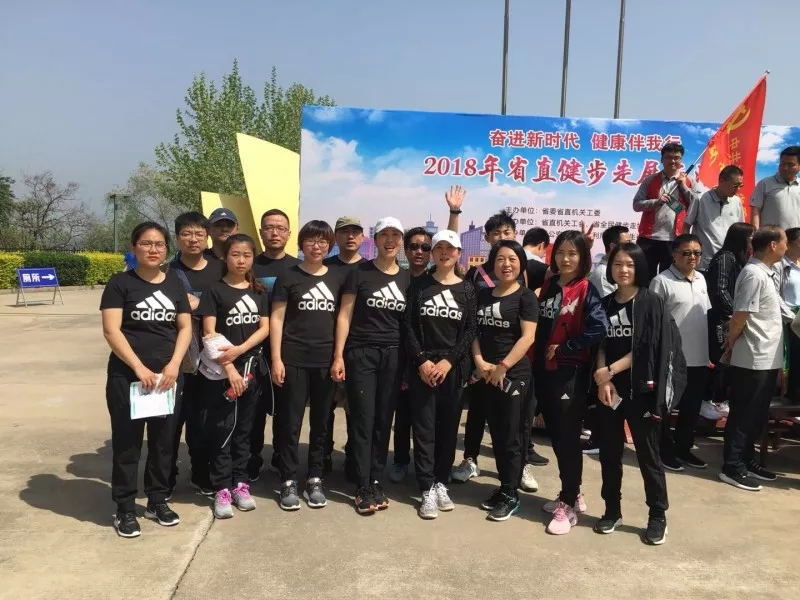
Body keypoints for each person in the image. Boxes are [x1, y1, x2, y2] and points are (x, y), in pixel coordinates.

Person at [100, 222, 192, 538]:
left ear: (166, 249)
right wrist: (139, 368)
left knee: (163, 444)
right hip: (128, 377)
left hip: (167, 379)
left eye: (159, 244)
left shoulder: (174, 284)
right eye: (146, 243)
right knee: (127, 445)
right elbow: (111, 330)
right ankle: (125, 508)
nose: (153, 249)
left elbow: (184, 327)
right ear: (134, 247)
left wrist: (174, 365)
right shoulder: (120, 283)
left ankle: (157, 500)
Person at [592, 242, 677, 546]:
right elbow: (600, 343)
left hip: (641, 391)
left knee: (648, 456)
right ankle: (612, 510)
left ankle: (657, 515)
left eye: (629, 264)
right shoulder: (604, 303)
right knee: (609, 453)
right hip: (610, 392)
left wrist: (610, 371)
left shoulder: (651, 301)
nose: (623, 270)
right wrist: (603, 379)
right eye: (617, 264)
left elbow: (646, 347)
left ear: (639, 267)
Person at [331, 217, 411, 513]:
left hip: (394, 356)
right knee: (363, 419)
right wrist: (339, 355)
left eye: (395, 235)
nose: (390, 240)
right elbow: (344, 315)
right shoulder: (359, 273)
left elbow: (407, 325)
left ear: (401, 241)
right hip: (361, 353)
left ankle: (376, 479)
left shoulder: (406, 279)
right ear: (374, 240)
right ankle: (362, 484)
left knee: (383, 420)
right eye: (384, 235)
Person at [534, 230, 608, 535]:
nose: (566, 259)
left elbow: (599, 326)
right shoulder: (551, 284)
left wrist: (567, 347)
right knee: (556, 435)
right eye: (561, 252)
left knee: (567, 438)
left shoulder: (586, 288)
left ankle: (568, 505)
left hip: (570, 373)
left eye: (573, 253)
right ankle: (573, 493)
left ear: (583, 258)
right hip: (545, 371)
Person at [271, 220, 345, 510]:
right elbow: (277, 319)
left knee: (321, 423)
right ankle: (288, 479)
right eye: (311, 240)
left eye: (323, 241)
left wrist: (338, 357)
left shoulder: (337, 277)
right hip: (294, 359)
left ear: (330, 245)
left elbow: (342, 320)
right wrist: (277, 359)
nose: (317, 246)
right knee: (290, 423)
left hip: (325, 361)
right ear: (301, 244)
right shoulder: (288, 276)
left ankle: (315, 477)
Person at [405, 230, 477, 520]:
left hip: (452, 370)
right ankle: (426, 488)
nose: (445, 253)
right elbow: (408, 326)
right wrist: (422, 361)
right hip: (422, 367)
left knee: (448, 430)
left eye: (451, 248)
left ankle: (440, 483)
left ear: (459, 253)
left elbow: (470, 330)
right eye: (439, 248)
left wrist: (449, 361)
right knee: (424, 430)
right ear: (432, 253)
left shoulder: (467, 289)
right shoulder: (419, 285)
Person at [197, 234, 269, 519]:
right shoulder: (214, 291)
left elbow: (265, 328)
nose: (241, 260)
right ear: (225, 257)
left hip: (251, 370)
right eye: (235, 254)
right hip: (221, 374)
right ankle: (222, 488)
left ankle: (241, 483)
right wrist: (229, 368)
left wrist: (240, 350)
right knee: (223, 430)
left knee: (244, 430)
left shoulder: (259, 291)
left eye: (247, 255)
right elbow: (209, 332)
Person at [453, 210, 525, 485]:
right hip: (480, 357)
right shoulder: (477, 273)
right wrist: (478, 360)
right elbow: (469, 317)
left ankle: (519, 466)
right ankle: (470, 459)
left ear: (515, 235)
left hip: (512, 361)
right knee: (477, 410)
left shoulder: (522, 271)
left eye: (507, 232)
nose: (501, 237)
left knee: (514, 418)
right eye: (496, 233)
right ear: (487, 238)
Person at [471, 240, 537, 521]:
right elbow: (473, 332)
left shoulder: (525, 297)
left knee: (512, 435)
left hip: (513, 376)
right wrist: (479, 362)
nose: (506, 264)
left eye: (512, 259)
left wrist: (503, 366)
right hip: (487, 374)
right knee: (497, 434)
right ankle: (503, 487)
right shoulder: (483, 295)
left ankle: (511, 493)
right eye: (500, 259)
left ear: (521, 264)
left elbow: (528, 337)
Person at [719, 226, 787, 491]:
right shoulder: (752, 274)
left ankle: (746, 460)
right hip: (752, 358)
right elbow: (740, 316)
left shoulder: (765, 273)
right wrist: (731, 342)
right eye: (784, 242)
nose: (787, 247)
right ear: (773, 245)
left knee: (756, 415)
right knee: (743, 415)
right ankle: (732, 466)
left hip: (767, 357)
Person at [167, 211, 224, 496]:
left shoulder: (221, 269)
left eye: (199, 234)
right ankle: (166, 476)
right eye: (187, 234)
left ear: (207, 237)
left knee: (205, 419)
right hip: (178, 358)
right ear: (177, 238)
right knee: (172, 419)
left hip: (213, 357)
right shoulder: (166, 272)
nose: (193, 239)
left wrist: (198, 305)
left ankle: (201, 472)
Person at [649, 234, 711, 471]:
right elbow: (653, 321)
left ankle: (684, 449)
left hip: (699, 357)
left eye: (696, 253)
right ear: (674, 255)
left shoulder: (702, 279)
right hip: (672, 357)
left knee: (691, 409)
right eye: (686, 253)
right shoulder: (662, 281)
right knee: (666, 408)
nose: (692, 257)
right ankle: (664, 451)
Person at [248, 208, 301, 482]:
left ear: (289, 234)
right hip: (253, 350)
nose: (275, 233)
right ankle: (251, 458)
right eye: (269, 227)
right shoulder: (249, 265)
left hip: (288, 350)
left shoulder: (298, 268)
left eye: (281, 228)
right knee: (254, 409)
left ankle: (282, 458)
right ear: (261, 232)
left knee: (286, 411)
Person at [323, 216, 367, 478]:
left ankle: (354, 454)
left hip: (358, 348)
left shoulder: (370, 268)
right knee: (325, 406)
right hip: (325, 345)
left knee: (356, 406)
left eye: (355, 232)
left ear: (362, 237)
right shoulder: (325, 267)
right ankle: (323, 454)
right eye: (344, 232)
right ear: (335, 237)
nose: (350, 236)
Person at [389, 226, 433, 484]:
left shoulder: (435, 281)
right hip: (399, 353)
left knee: (426, 416)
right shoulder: (399, 278)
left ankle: (425, 464)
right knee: (402, 412)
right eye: (414, 246)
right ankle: (400, 460)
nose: (419, 251)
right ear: (405, 250)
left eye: (425, 247)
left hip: (428, 356)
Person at [706, 222, 755, 413]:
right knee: (719, 358)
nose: (753, 241)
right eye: (751, 237)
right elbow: (719, 290)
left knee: (729, 359)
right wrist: (734, 312)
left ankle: (722, 399)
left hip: (731, 317)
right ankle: (712, 399)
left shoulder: (741, 259)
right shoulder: (726, 257)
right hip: (721, 319)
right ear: (741, 238)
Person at [633, 143, 699, 280]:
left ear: (681, 160)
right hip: (648, 239)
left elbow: (697, 204)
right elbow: (636, 205)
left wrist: (683, 186)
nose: (673, 161)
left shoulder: (689, 181)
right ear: (662, 159)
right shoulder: (650, 180)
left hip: (674, 240)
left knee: (670, 280)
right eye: (668, 157)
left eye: (677, 158)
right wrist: (655, 202)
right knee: (644, 279)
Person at [682, 165, 745, 271]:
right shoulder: (700, 199)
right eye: (735, 186)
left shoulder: (736, 201)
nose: (738, 189)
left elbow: (740, 231)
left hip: (728, 262)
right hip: (704, 262)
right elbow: (686, 226)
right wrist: (687, 250)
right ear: (722, 181)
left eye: (740, 186)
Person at [750, 146, 800, 230]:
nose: (785, 168)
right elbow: (755, 211)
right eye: (782, 163)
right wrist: (755, 233)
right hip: (771, 237)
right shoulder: (765, 184)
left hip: (796, 237)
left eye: (790, 165)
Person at [589, 225, 631, 299]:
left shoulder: (621, 269)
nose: (631, 247)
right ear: (612, 246)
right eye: (627, 244)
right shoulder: (603, 274)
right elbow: (608, 304)